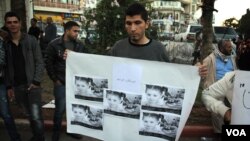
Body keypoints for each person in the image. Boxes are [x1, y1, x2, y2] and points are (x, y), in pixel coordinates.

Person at [110, 2, 207, 77]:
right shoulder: (118, 48)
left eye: (137, 22)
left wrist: (194, 72)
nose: (133, 28)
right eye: (129, 23)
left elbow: (171, 76)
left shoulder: (158, 49)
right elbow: (107, 72)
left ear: (147, 24)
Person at [4, 11, 45, 141]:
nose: (12, 25)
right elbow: (5, 67)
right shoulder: (5, 44)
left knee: (36, 116)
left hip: (32, 85)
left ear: (20, 23)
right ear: (6, 24)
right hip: (17, 86)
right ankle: (36, 136)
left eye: (15, 22)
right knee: (28, 115)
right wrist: (9, 86)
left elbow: (39, 62)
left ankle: (40, 138)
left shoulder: (31, 40)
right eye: (9, 22)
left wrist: (36, 81)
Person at [45, 21, 88, 141]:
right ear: (67, 30)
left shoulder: (80, 45)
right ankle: (55, 134)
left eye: (78, 31)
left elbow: (86, 59)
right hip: (61, 83)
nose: (77, 34)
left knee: (73, 108)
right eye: (75, 31)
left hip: (75, 83)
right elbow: (48, 63)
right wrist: (55, 80)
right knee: (60, 110)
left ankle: (71, 131)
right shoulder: (54, 44)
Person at [202, 37, 250, 134]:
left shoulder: (233, 59)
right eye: (228, 47)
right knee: (218, 113)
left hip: (233, 88)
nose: (231, 49)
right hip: (218, 86)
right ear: (222, 48)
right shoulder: (210, 59)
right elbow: (200, 70)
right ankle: (219, 132)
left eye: (231, 47)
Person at [0, 28, 21, 141]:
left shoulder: (3, 43)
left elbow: (3, 62)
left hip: (1, 83)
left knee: (6, 113)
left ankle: (15, 138)